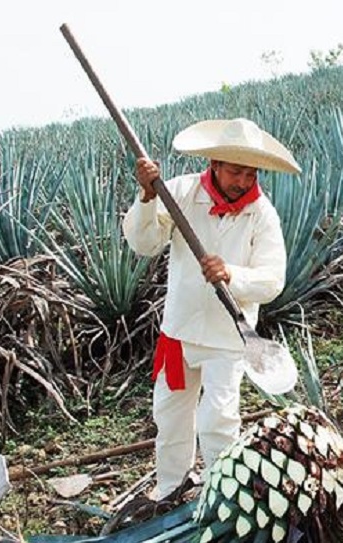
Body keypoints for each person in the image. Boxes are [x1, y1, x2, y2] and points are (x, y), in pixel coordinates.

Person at [122, 117, 301, 499]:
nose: (243, 182)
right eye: (235, 171)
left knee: (218, 418)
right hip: (180, 331)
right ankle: (171, 489)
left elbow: (272, 280)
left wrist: (231, 274)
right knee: (170, 416)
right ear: (215, 165)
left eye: (250, 174)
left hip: (229, 337)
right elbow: (144, 242)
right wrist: (147, 197)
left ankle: (223, 495)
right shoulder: (181, 192)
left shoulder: (263, 214)